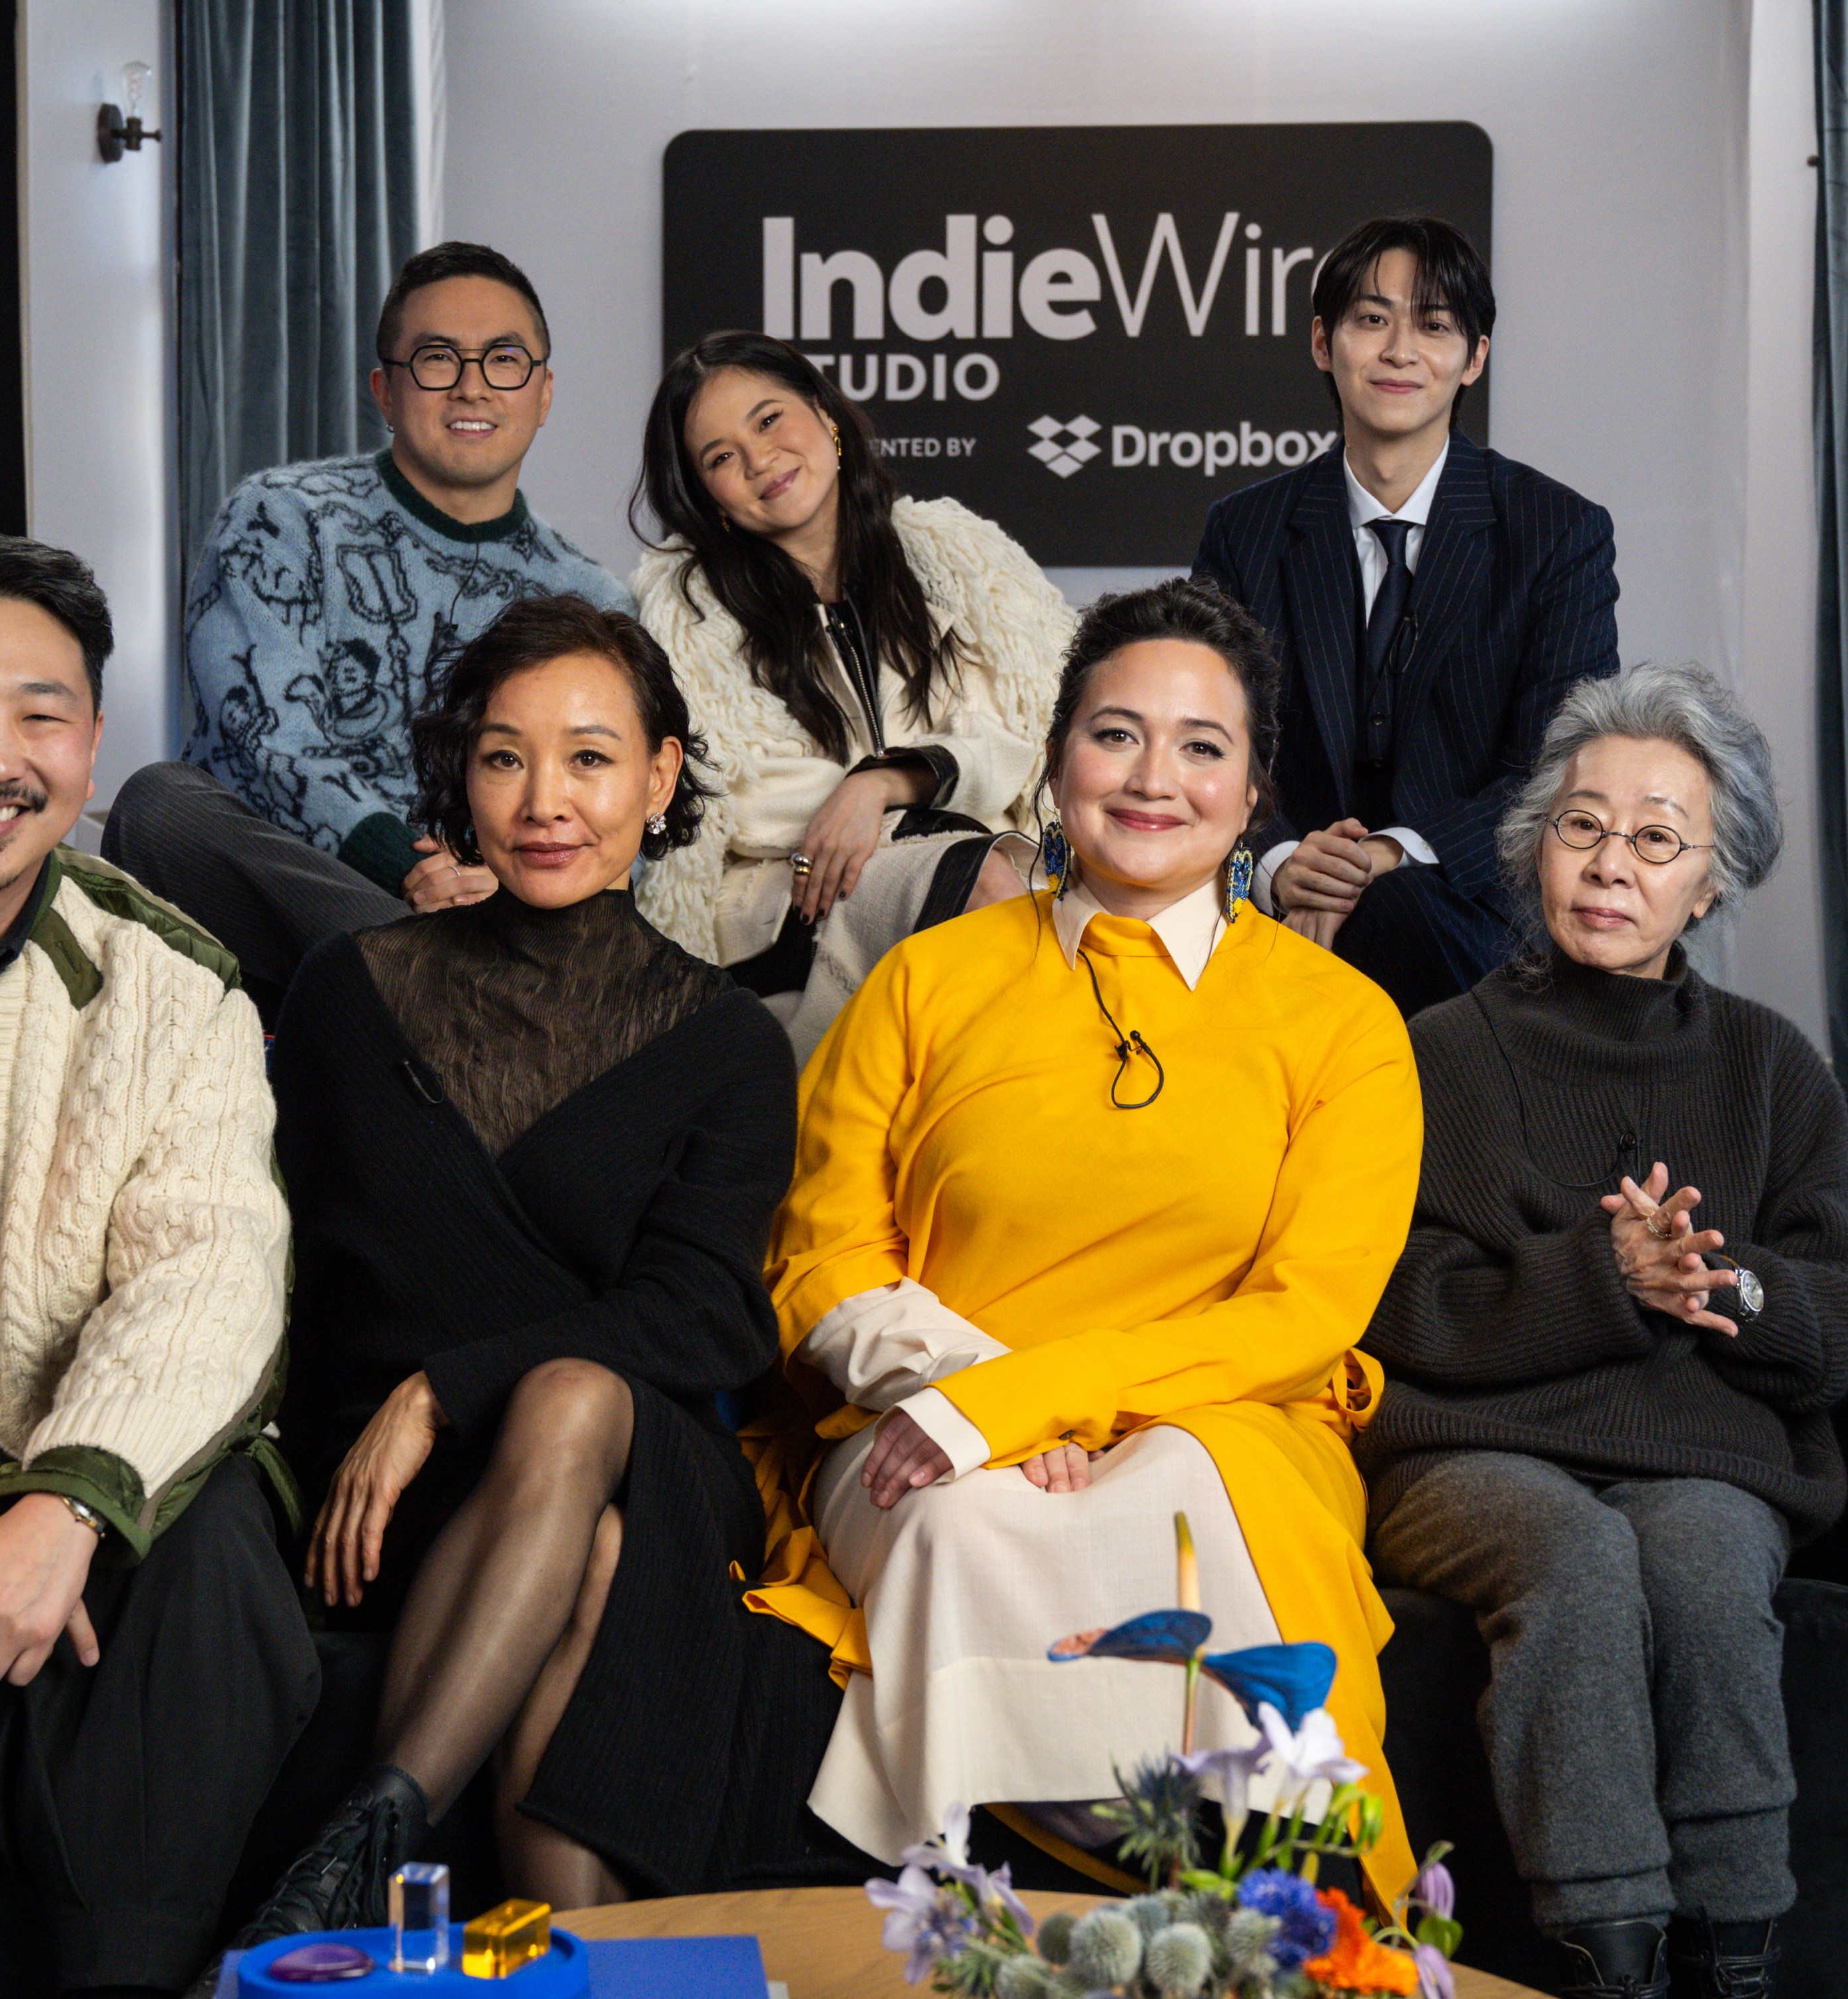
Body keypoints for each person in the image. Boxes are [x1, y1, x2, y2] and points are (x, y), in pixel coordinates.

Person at [743, 576, 1424, 1910]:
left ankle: (1242, 1926)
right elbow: (819, 1256)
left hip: (1218, 1427)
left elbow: (1305, 1313)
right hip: (915, 1417)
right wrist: (966, 1402)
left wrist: (1022, 1400)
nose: (1153, 777)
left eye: (1201, 746)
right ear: (1056, 764)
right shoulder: (925, 981)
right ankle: (1012, 1933)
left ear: (1253, 792)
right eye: (1116, 733)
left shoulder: (1342, 1025)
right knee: (956, 1524)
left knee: (1175, 1506)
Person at [216, 592, 831, 1969]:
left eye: (592, 759)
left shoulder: (729, 1041)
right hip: (390, 1484)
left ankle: (369, 1844)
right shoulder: (347, 991)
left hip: (630, 1452)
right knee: (591, 1558)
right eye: (505, 758)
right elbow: (276, 1259)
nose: (546, 800)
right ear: (462, 778)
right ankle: (584, 1965)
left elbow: (706, 1311)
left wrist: (444, 1387)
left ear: (662, 777)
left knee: (574, 1403)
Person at [0, 535, 314, 1999]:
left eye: (42, 716)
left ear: (92, 747)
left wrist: (65, 1503)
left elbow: (212, 1275)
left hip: (85, 1466)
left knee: (222, 1538)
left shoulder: (178, 985)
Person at [1357, 662, 1847, 1999]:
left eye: (1655, 838)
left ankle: (1739, 1961)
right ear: (1535, 849)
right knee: (1571, 1550)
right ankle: (1609, 1961)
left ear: (1712, 880)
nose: (1609, 863)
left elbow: (1835, 1308)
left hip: (1704, 1454)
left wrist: (1720, 1284)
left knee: (1696, 1557)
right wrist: (1600, 1278)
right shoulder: (1435, 1049)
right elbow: (1387, 1291)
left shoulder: (1768, 1065)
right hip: (1470, 1453)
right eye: (1582, 825)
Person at [103, 241, 633, 1023]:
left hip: (503, 902)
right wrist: (408, 866)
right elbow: (260, 739)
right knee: (159, 807)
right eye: (436, 359)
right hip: (304, 901)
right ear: (386, 391)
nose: (471, 385)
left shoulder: (591, 598)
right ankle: (452, 979)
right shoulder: (282, 517)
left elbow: (609, 799)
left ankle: (454, 978)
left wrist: (501, 881)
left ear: (544, 391)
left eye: (504, 359)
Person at [1192, 215, 1620, 1019]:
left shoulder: (1557, 532)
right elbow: (1204, 739)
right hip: (1282, 901)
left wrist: (1394, 856)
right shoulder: (1243, 532)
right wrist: (1281, 860)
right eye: (1371, 318)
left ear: (1475, 360)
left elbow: (1564, 765)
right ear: (1324, 343)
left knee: (1395, 915)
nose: (1399, 350)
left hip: (1473, 913)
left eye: (1434, 325)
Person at [632, 331, 1071, 1061]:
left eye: (769, 420)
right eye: (720, 457)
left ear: (826, 417)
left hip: (981, 866)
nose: (758, 458)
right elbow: (732, 797)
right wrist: (900, 813)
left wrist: (887, 783)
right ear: (713, 504)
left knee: (1047, 907)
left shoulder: (954, 554)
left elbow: (1027, 737)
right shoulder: (690, 607)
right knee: (991, 890)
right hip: (792, 911)